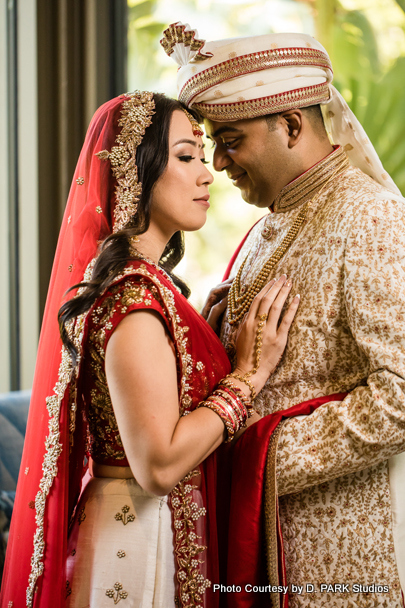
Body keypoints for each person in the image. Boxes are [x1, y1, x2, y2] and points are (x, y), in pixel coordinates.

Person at [0, 91, 300, 608]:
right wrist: (249, 376)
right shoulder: (135, 300)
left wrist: (201, 336)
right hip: (137, 550)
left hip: (145, 532)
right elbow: (158, 466)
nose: (207, 175)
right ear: (136, 173)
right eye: (186, 157)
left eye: (203, 158)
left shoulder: (144, 289)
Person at [161, 23, 405, 608]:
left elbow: (400, 393)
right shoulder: (267, 225)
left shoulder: (370, 219)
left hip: (338, 556)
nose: (217, 162)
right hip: (260, 546)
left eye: (230, 140)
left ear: (291, 125)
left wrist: (262, 458)